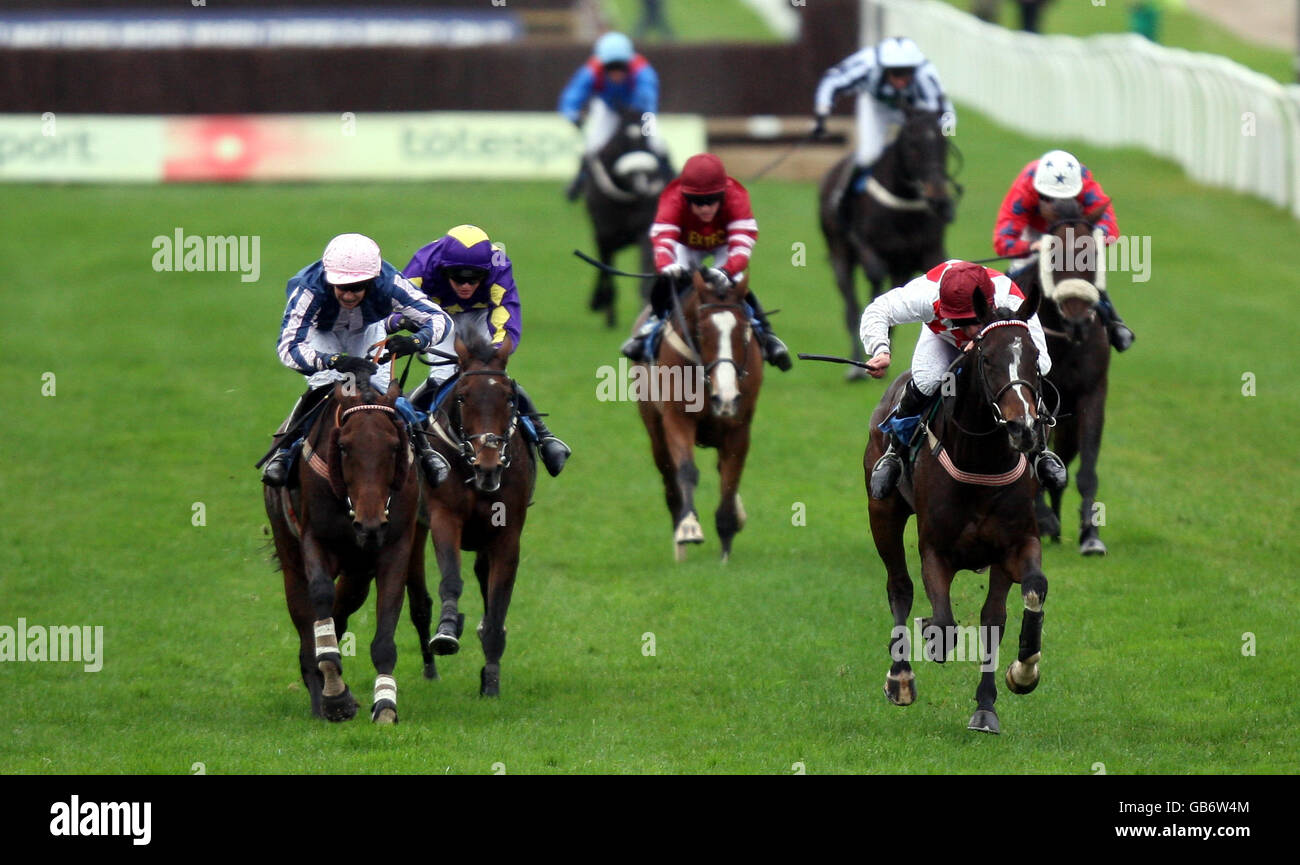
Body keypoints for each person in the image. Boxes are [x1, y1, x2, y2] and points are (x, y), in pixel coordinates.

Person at [859, 260, 1068, 499]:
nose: (969, 330)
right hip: (943, 339)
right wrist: (880, 350)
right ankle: (894, 451)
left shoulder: (1008, 298)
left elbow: (1041, 361)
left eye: (974, 320)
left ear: (987, 305)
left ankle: (1039, 452)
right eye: (960, 322)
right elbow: (877, 311)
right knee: (928, 379)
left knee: (1029, 371)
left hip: (998, 341)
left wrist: (985, 343)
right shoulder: (925, 294)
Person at [260, 233, 453, 489]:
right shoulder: (309, 289)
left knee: (384, 395)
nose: (349, 295)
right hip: (322, 334)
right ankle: (287, 450)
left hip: (367, 331)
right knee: (327, 390)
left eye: (357, 288)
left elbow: (440, 319)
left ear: (372, 281)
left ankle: (423, 446)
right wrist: (332, 361)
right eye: (341, 287)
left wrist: (416, 342)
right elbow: (288, 348)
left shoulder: (390, 283)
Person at [402, 224, 571, 478]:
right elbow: (399, 300)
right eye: (457, 277)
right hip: (439, 317)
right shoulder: (424, 262)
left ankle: (543, 436)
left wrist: (495, 353)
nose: (466, 285)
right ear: (442, 268)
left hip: (482, 315)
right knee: (441, 376)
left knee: (491, 377)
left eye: (475, 278)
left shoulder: (499, 263)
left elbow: (506, 311)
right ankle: (410, 437)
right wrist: (403, 322)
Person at [621, 152, 791, 371]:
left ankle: (767, 336)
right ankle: (651, 324)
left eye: (712, 201)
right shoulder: (672, 198)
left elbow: (742, 245)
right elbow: (663, 239)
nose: (705, 208)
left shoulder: (737, 197)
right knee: (669, 281)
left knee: (735, 285)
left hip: (724, 245)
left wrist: (727, 271)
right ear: (684, 196)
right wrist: (667, 266)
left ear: (723, 194)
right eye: (696, 202)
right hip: (687, 245)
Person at [993, 148, 1135, 351]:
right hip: (1036, 233)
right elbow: (1003, 241)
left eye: (1065, 198)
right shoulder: (1026, 185)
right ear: (1039, 193)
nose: (1055, 206)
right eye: (1048, 199)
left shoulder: (1083, 179)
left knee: (1083, 268)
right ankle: (1001, 318)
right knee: (1017, 272)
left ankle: (1113, 321)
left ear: (1077, 191)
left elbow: (1110, 227)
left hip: (1074, 230)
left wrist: (1087, 239)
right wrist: (1031, 246)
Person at [812, 36, 954, 222]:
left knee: (929, 152)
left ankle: (940, 200)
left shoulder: (925, 75)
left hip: (914, 111)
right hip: (877, 107)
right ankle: (844, 198)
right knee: (868, 154)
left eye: (907, 73)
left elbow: (946, 111)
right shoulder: (866, 64)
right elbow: (833, 80)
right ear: (885, 69)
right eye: (896, 73)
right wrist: (822, 113)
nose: (902, 80)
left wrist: (942, 136)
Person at [558, 31, 671, 201]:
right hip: (607, 109)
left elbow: (648, 102)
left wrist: (637, 118)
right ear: (602, 64)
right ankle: (581, 180)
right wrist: (573, 115)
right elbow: (572, 97)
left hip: (638, 111)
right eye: (610, 68)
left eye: (620, 67)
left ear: (628, 63)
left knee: (655, 141)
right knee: (592, 145)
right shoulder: (591, 71)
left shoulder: (643, 72)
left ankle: (671, 179)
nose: (616, 73)